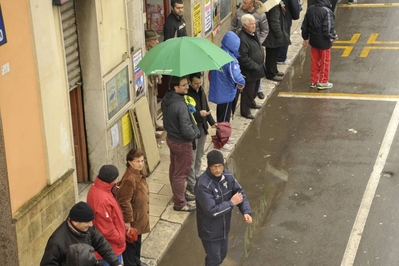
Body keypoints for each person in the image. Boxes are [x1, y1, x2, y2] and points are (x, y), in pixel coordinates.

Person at [195, 150, 252, 266]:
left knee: (222, 255)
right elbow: (212, 211)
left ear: (223, 165)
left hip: (224, 228)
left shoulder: (227, 176)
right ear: (209, 166)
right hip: (210, 231)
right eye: (214, 167)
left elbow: (239, 192)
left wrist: (246, 211)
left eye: (220, 166)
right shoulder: (203, 185)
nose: (217, 170)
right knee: (214, 259)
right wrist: (231, 203)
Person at [161, 76, 200, 212]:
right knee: (181, 172)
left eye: (187, 84)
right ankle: (180, 203)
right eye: (184, 85)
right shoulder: (180, 105)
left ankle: (179, 194)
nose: (187, 87)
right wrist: (196, 134)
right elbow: (186, 129)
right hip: (182, 142)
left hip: (171, 138)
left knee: (174, 168)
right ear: (176, 88)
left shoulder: (167, 99)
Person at [40, 202, 122, 266]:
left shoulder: (88, 229)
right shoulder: (56, 242)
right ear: (75, 222)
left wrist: (115, 263)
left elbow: (101, 243)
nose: (91, 224)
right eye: (87, 222)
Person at [116, 149, 150, 266]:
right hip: (133, 219)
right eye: (137, 161)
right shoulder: (130, 179)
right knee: (131, 246)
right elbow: (124, 201)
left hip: (139, 217)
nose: (140, 164)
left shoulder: (139, 173)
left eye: (142, 161)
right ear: (130, 162)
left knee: (137, 242)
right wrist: (127, 221)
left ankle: (137, 262)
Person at [86, 165, 126, 266]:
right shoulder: (102, 199)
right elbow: (106, 228)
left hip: (107, 245)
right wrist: (120, 238)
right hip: (110, 247)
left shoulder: (96, 188)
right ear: (112, 179)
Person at [186, 72, 217, 195]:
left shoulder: (201, 90)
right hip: (193, 130)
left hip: (202, 127)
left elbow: (206, 105)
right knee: (191, 158)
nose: (198, 85)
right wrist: (199, 114)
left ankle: (198, 177)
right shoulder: (187, 95)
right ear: (190, 82)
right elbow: (187, 115)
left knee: (199, 155)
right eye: (196, 83)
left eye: (200, 83)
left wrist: (212, 122)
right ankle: (191, 184)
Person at [231, 0, 268, 100]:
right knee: (244, 67)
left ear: (252, 3)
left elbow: (265, 30)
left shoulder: (260, 14)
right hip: (240, 44)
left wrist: (257, 43)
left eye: (245, 2)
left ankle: (258, 90)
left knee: (257, 67)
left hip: (254, 44)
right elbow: (233, 26)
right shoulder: (239, 12)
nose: (243, 3)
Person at [209, 31, 246, 123]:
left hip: (218, 90)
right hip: (226, 92)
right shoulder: (230, 59)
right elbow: (235, 76)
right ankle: (223, 136)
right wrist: (242, 82)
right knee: (225, 118)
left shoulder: (218, 53)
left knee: (220, 114)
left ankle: (220, 133)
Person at [301, 0, 338, 89]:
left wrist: (305, 38)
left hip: (313, 40)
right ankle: (323, 81)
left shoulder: (310, 9)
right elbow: (328, 28)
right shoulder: (327, 11)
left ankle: (314, 80)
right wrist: (333, 36)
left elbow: (305, 25)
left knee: (315, 60)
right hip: (324, 42)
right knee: (325, 61)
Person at [237, 14, 265, 120]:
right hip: (250, 71)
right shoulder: (242, 38)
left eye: (254, 23)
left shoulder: (254, 33)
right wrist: (255, 66)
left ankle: (252, 103)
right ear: (244, 25)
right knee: (248, 91)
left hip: (258, 69)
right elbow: (243, 58)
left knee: (255, 89)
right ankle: (245, 110)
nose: (254, 26)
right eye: (251, 24)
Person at [263, 2, 291, 82]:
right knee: (272, 55)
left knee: (275, 54)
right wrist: (279, 34)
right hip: (273, 36)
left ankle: (274, 71)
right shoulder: (274, 7)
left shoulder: (276, 5)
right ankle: (271, 74)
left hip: (274, 36)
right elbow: (274, 21)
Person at [144, 29, 164, 139]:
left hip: (154, 82)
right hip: (149, 84)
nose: (157, 42)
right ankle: (151, 129)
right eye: (154, 39)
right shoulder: (145, 54)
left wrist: (159, 76)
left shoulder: (153, 51)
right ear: (148, 42)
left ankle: (155, 123)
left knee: (154, 105)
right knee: (150, 106)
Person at [277, 0, 301, 65]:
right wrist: (295, 16)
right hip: (285, 17)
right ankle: (281, 58)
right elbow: (294, 6)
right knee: (285, 38)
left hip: (275, 18)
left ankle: (276, 57)